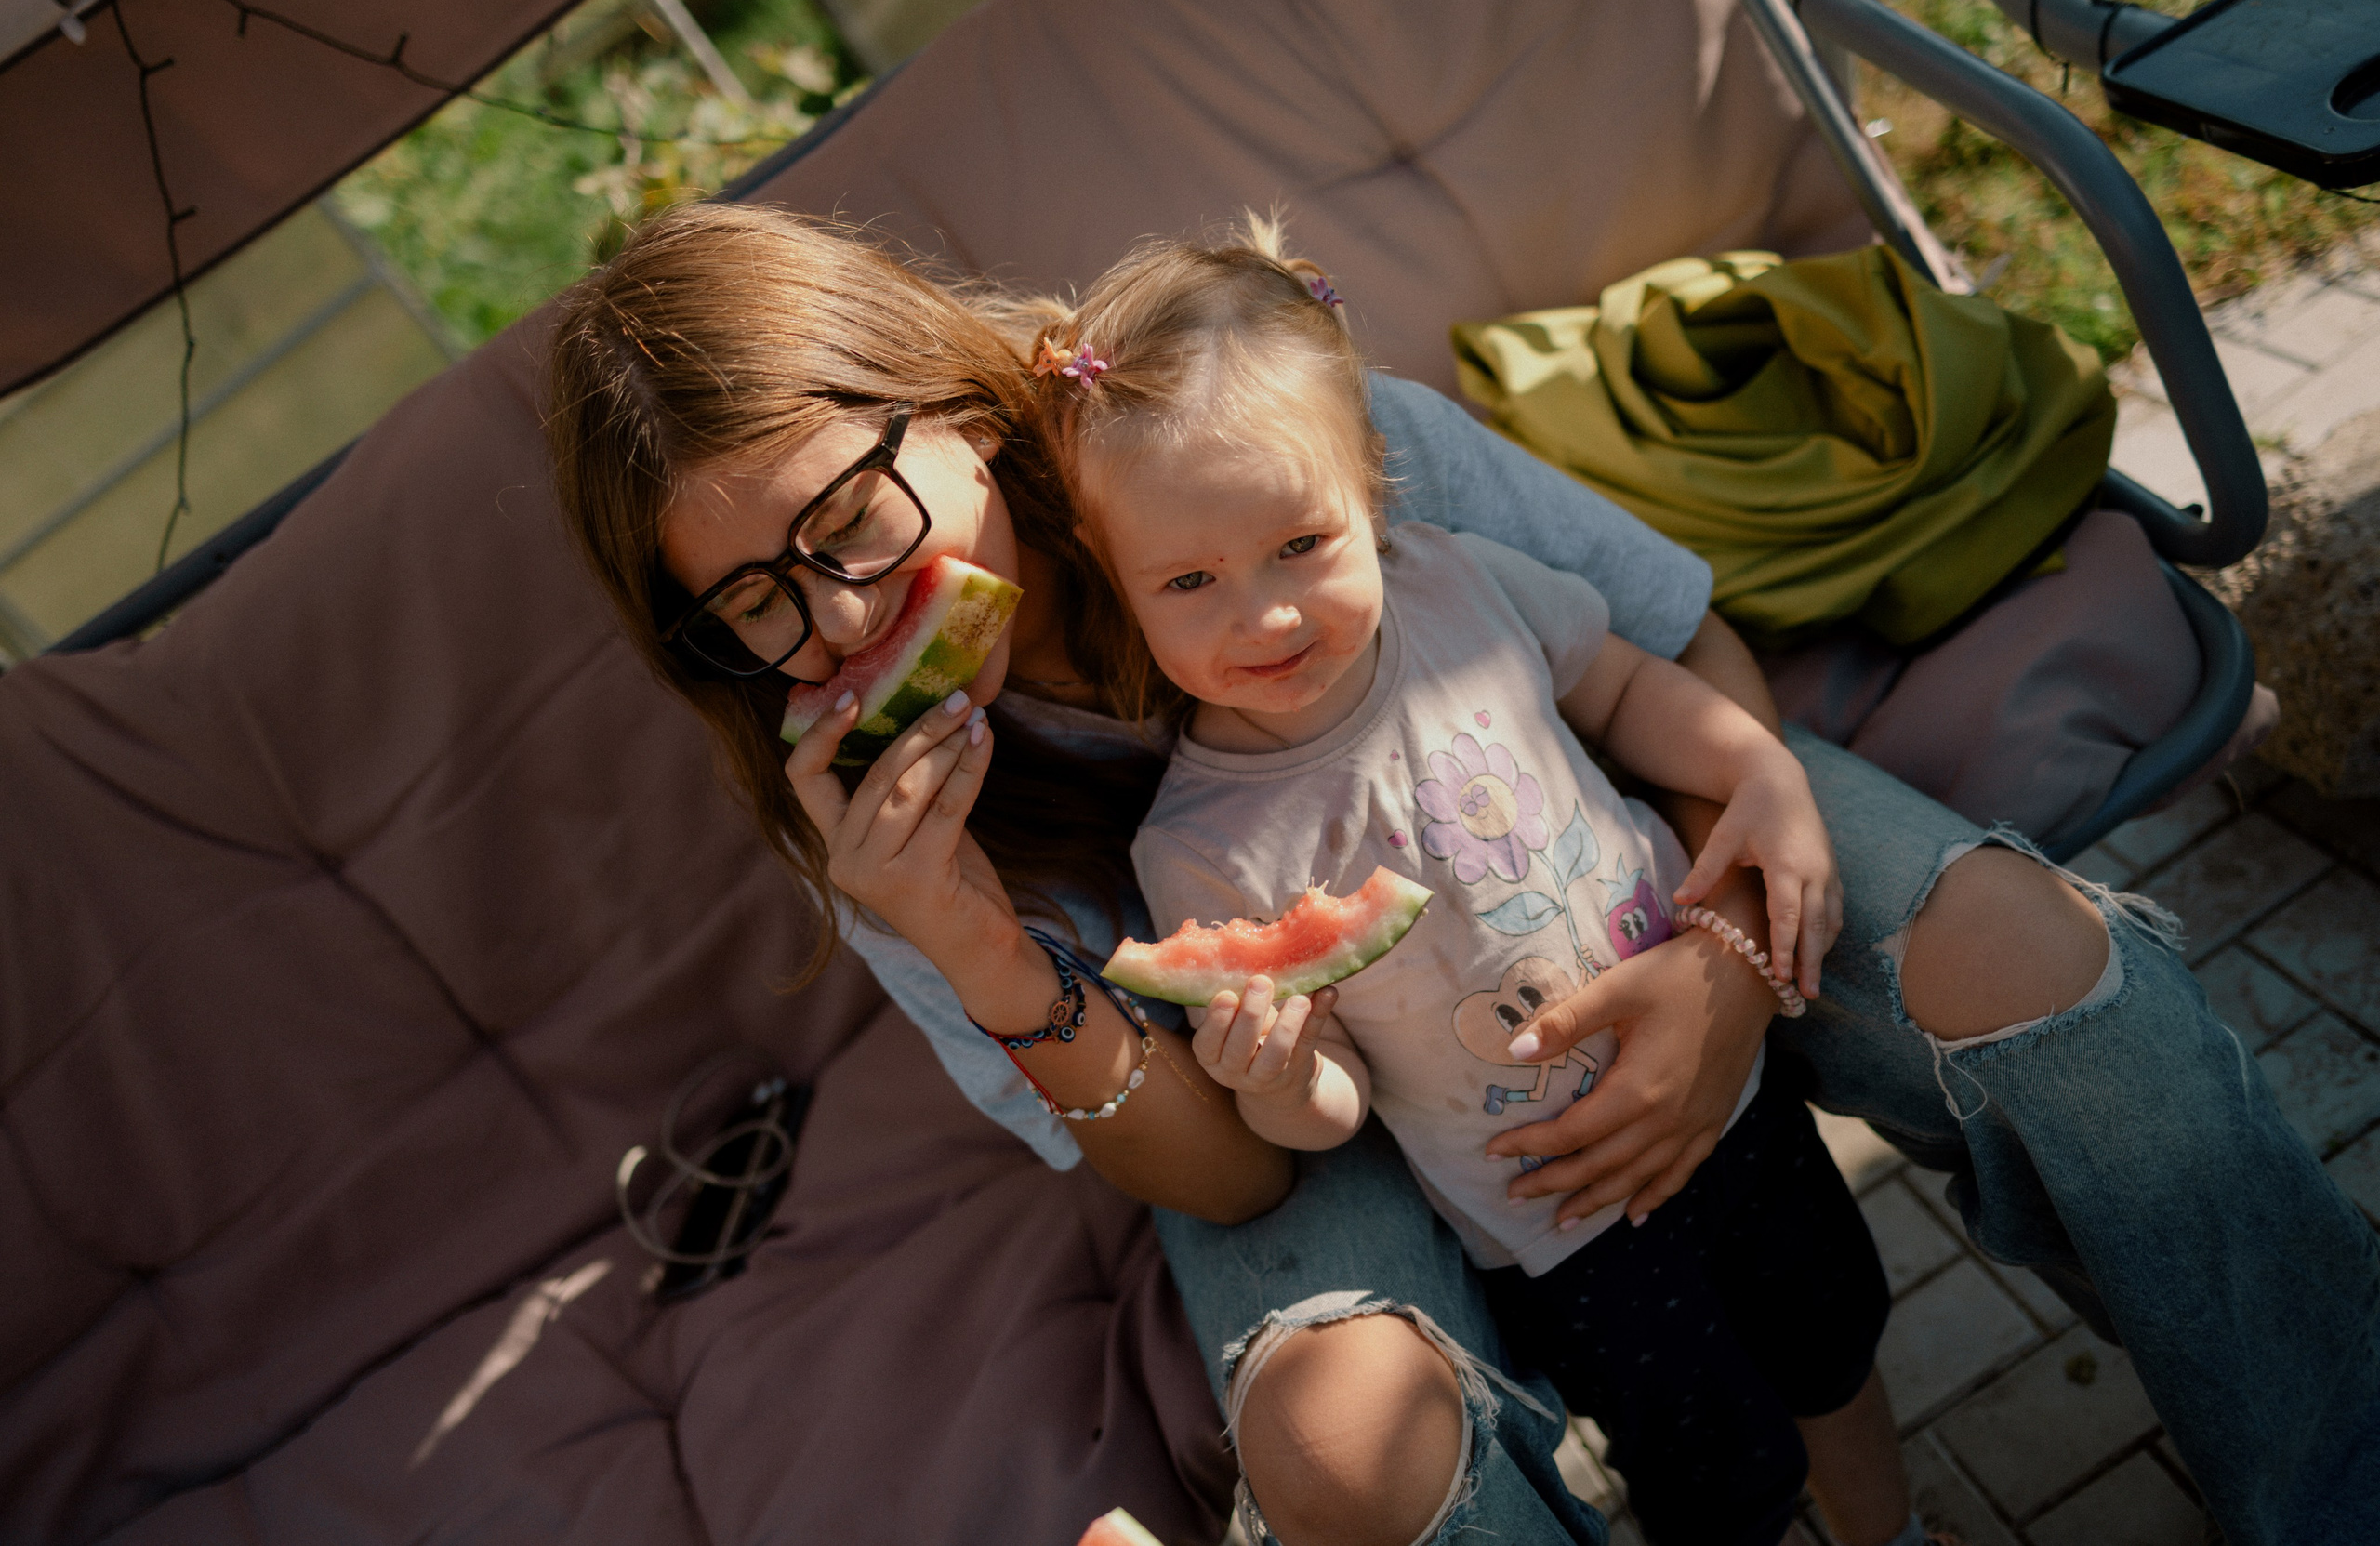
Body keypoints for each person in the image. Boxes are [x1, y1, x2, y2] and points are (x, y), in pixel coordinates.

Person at [543, 203, 2380, 1546]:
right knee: (1348, 1455)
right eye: (759, 602)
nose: (847, 619)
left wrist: (1726, 954)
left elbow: (1673, 650)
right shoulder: (868, 828)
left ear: (943, 394)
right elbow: (1238, 1158)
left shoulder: (1287, 446)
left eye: (848, 525)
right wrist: (963, 934)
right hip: (1317, 1100)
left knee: (2047, 968)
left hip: (1623, 871)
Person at [1028, 221, 1931, 1546]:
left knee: (1836, 1347)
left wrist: (1761, 772)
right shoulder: (1198, 847)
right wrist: (1278, 1077)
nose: (1265, 615)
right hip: (1567, 1222)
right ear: (1121, 597)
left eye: (1300, 545)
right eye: (1190, 581)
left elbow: (1624, 686)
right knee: (1717, 1475)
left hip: (1732, 1096)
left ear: (1372, 490)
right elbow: (1332, 1113)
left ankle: (1890, 1537)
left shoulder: (1460, 590)